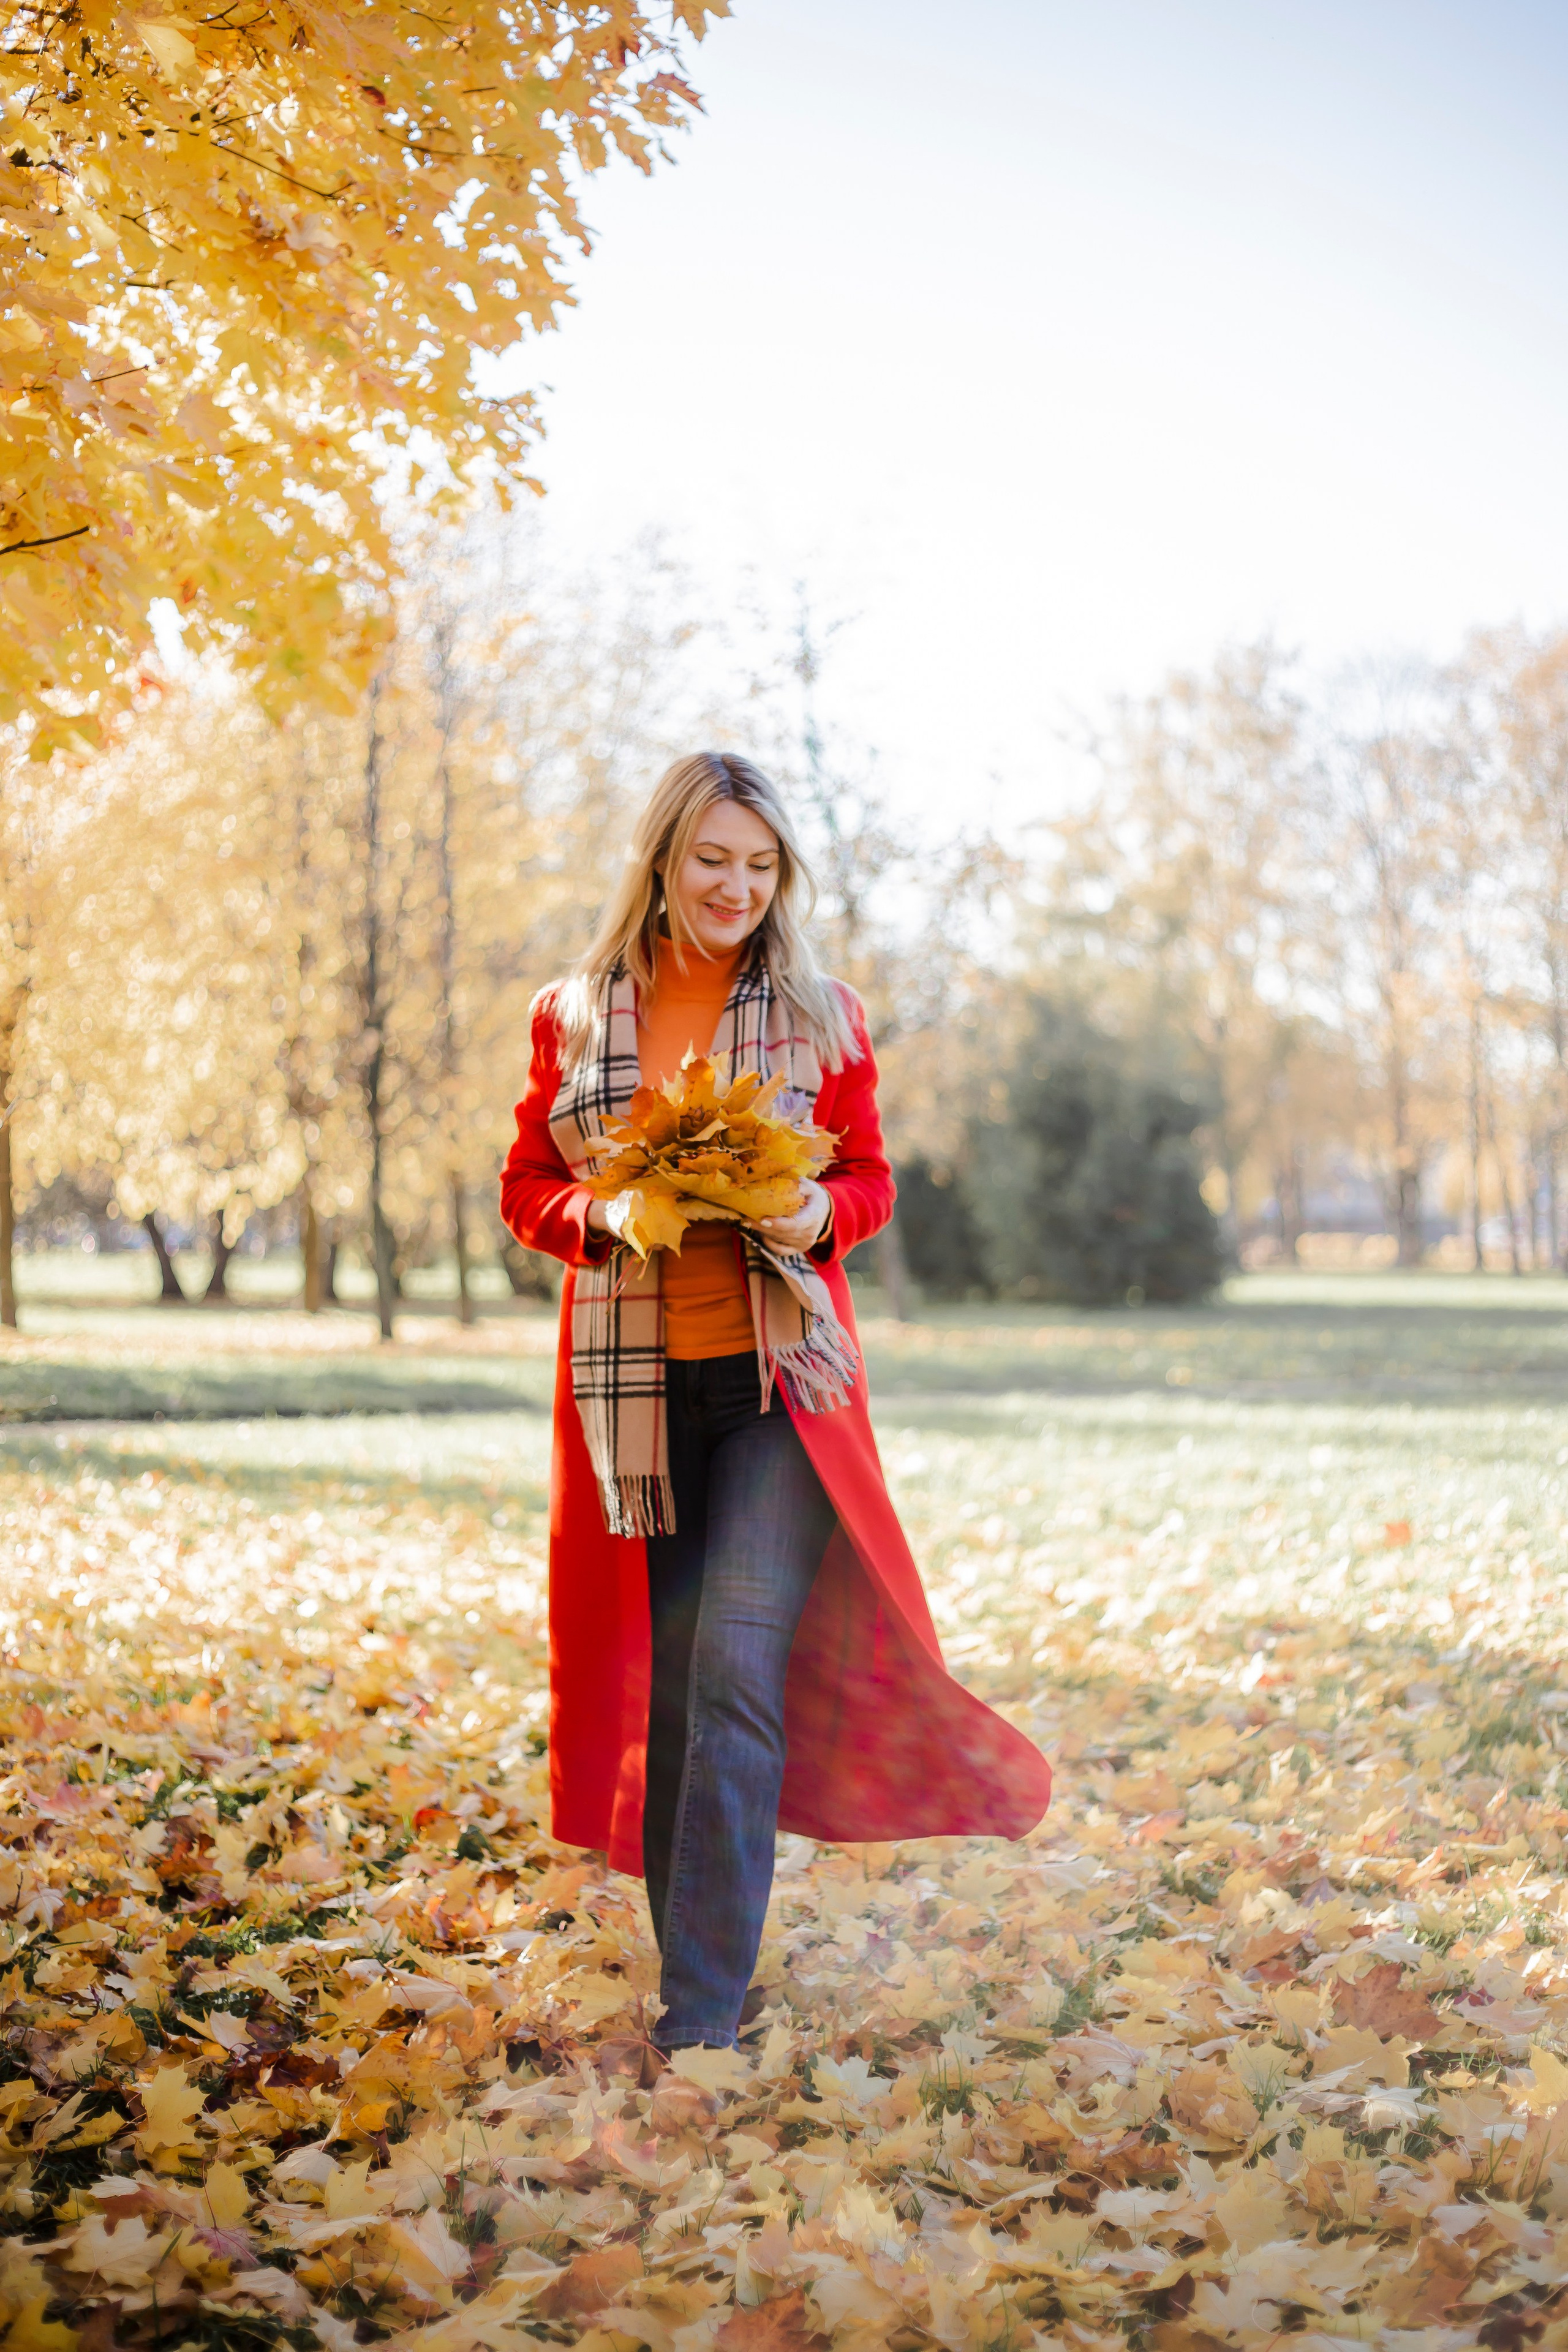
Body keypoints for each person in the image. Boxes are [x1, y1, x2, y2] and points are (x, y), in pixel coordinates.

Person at [500, 751, 1051, 2052]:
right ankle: (692, 1955)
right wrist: (600, 1213)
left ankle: (700, 2014)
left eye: (760, 866)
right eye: (712, 860)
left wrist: (815, 1209)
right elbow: (526, 1186)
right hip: (637, 1401)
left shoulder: (821, 1012)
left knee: (734, 1668)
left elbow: (868, 1179)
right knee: (673, 1693)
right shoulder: (574, 1015)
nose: (736, 887)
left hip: (778, 1391)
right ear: (661, 857)